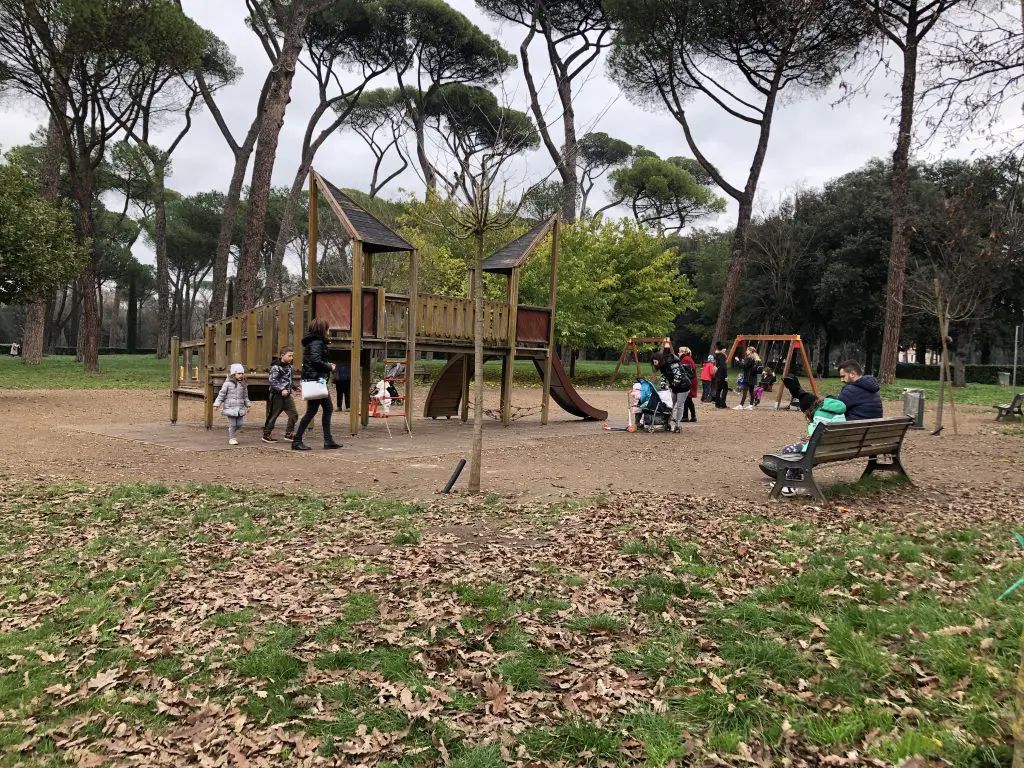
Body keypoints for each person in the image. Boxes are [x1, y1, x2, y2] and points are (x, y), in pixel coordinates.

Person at [771, 389, 847, 496]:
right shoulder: (836, 410)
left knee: (788, 450)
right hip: (835, 446)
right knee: (797, 449)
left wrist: (810, 438)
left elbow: (817, 435)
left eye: (805, 413)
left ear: (808, 409)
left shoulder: (820, 414)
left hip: (821, 449)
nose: (806, 416)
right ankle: (789, 480)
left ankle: (790, 484)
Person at [292, 318, 342, 452]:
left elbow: (315, 360)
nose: (329, 330)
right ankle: (297, 440)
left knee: (328, 408)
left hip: (317, 379)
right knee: (312, 411)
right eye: (327, 328)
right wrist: (329, 366)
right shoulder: (317, 342)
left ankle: (328, 440)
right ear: (322, 329)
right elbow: (315, 361)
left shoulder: (315, 342)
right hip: (316, 379)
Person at [263, 347, 298, 443]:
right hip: (277, 396)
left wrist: (295, 387)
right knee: (273, 415)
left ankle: (289, 433)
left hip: (287, 396)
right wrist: (281, 389)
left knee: (294, 414)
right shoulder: (276, 367)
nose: (291, 358)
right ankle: (266, 434)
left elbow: (289, 380)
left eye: (292, 356)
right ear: (282, 356)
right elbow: (272, 381)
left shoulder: (290, 367)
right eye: (289, 356)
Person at [214, 363, 252, 446]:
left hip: (240, 408)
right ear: (233, 374)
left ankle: (232, 431)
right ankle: (232, 438)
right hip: (230, 408)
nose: (241, 375)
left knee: (239, 424)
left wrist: (248, 405)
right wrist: (217, 404)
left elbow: (245, 396)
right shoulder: (227, 383)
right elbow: (221, 394)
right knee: (233, 424)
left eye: (242, 373)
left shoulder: (243, 384)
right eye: (239, 373)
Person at [651, 352, 689, 432]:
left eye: (655, 362)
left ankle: (677, 424)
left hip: (684, 386)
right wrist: (662, 386)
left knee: (679, 405)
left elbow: (678, 376)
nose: (654, 364)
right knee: (670, 404)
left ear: (659, 359)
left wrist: (671, 386)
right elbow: (663, 376)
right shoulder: (663, 366)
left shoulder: (672, 363)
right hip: (675, 387)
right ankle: (667, 423)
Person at [678, 346, 698, 423]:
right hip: (690, 381)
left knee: (686, 399)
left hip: (689, 381)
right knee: (688, 399)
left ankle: (685, 416)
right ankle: (693, 416)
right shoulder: (687, 358)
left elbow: (686, 372)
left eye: (679, 351)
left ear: (683, 352)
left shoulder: (685, 359)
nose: (678, 353)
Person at [712, 343, 729, 408]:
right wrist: (725, 376)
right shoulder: (721, 356)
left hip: (718, 375)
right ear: (722, 350)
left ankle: (717, 403)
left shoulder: (717, 356)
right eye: (725, 349)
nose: (725, 350)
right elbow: (723, 367)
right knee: (725, 389)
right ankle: (722, 404)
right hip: (722, 375)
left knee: (718, 389)